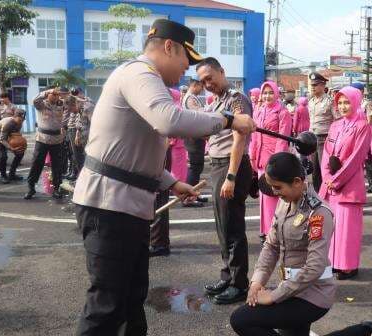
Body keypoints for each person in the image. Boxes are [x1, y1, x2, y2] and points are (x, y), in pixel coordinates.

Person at [71, 19, 255, 335]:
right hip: (109, 207)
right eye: (186, 60)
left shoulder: (146, 79)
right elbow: (168, 120)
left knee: (130, 301)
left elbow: (133, 154)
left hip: (125, 207)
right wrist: (228, 119)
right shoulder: (139, 73)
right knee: (107, 306)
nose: (185, 69)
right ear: (169, 47)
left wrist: (171, 182)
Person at [230, 152, 335, 335]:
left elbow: (314, 267)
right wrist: (257, 281)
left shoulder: (319, 213)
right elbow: (271, 245)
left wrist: (273, 296)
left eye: (278, 187)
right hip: (291, 289)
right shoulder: (284, 203)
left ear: (296, 181)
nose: (275, 193)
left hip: (312, 294)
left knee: (242, 319)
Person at [197, 57, 253, 305]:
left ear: (222, 71)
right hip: (218, 165)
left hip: (233, 167)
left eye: (210, 77)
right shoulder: (216, 102)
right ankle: (227, 276)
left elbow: (240, 138)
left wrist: (231, 175)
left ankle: (240, 284)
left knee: (233, 228)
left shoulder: (237, 98)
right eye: (202, 81)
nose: (207, 83)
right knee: (222, 226)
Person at [319, 86, 371, 280]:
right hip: (332, 185)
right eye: (340, 102)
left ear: (356, 102)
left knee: (348, 228)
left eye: (347, 102)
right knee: (334, 227)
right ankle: (335, 263)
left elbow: (356, 158)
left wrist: (336, 179)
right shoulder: (335, 125)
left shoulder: (363, 126)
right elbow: (326, 154)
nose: (343, 106)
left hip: (349, 185)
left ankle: (348, 266)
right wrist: (326, 177)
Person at [249, 80, 292, 241]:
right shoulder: (258, 110)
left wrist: (276, 162)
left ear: (277, 94)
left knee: (274, 197)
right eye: (264, 93)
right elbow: (254, 136)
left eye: (270, 93)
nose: (267, 96)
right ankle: (266, 229)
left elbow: (283, 139)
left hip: (273, 160)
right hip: (260, 159)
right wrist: (252, 156)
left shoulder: (282, 112)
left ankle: (274, 232)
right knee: (264, 196)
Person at [24, 87, 66, 200]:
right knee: (37, 163)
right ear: (48, 95)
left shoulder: (62, 104)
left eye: (57, 95)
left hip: (57, 139)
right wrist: (46, 92)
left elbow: (72, 100)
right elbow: (34, 100)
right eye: (53, 94)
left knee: (57, 165)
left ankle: (57, 188)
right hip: (42, 138)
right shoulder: (41, 104)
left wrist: (64, 93)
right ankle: (31, 187)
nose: (55, 96)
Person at [182, 78, 208, 206]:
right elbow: (200, 114)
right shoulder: (190, 98)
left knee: (197, 167)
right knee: (195, 167)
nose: (202, 89)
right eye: (201, 86)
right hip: (193, 138)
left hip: (195, 137)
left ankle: (194, 194)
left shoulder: (191, 97)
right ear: (194, 85)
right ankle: (188, 198)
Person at [308, 72, 334, 192]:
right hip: (313, 139)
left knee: (326, 170)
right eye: (312, 85)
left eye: (316, 84)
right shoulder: (311, 101)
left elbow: (338, 121)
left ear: (323, 86)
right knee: (315, 171)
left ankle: (328, 195)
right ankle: (319, 195)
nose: (313, 87)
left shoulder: (330, 101)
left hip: (325, 139)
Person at [0, 109, 26, 184]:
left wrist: (21, 144)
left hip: (6, 138)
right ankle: (3, 176)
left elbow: (16, 135)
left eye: (23, 119)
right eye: (20, 119)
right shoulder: (8, 123)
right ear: (15, 117)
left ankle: (12, 174)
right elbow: (2, 139)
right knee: (3, 156)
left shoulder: (20, 123)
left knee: (20, 153)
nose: (21, 121)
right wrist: (11, 148)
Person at [168, 88, 188, 183]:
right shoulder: (178, 109)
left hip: (174, 144)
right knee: (179, 170)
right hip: (179, 144)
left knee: (174, 169)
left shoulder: (171, 108)